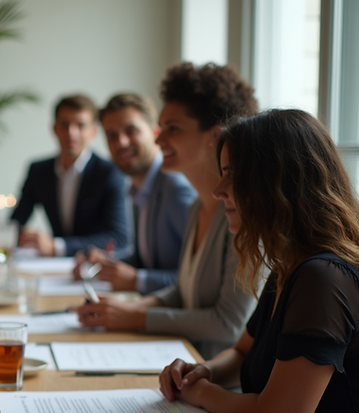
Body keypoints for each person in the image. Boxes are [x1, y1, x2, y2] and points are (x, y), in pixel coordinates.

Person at [161, 108, 359, 413]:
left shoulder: (323, 278)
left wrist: (202, 393)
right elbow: (241, 352)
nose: (217, 190)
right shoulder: (290, 265)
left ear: (278, 182)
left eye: (232, 175)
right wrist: (205, 369)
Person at [77, 63, 260, 360]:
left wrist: (136, 317)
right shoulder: (198, 207)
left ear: (213, 137)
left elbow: (229, 324)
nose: (159, 139)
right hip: (183, 365)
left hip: (217, 381)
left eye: (172, 129)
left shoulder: (245, 217)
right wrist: (125, 309)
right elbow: (181, 293)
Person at [73, 93, 196, 294]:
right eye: (112, 135)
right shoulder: (139, 188)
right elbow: (146, 259)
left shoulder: (176, 190)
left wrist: (138, 281)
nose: (120, 142)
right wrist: (104, 265)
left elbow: (198, 280)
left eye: (131, 131)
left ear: (156, 133)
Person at [9, 94, 128, 257]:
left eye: (80, 125)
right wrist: (23, 236)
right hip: (51, 268)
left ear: (94, 131)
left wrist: (57, 246)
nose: (71, 133)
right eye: (65, 125)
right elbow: (15, 223)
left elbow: (119, 237)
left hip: (92, 268)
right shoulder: (38, 171)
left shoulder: (110, 172)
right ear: (54, 128)